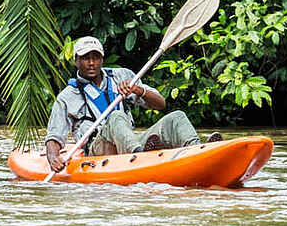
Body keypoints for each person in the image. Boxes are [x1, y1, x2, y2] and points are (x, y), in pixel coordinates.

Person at [41, 36, 214, 172]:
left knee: (177, 117)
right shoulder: (67, 96)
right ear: (76, 61)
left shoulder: (121, 76)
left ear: (102, 59)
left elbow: (161, 104)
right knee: (117, 116)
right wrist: (53, 157)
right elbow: (54, 136)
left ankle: (199, 150)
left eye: (96, 57)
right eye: (86, 58)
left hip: (129, 142)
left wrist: (138, 91)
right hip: (98, 149)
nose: (92, 63)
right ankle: (142, 159)